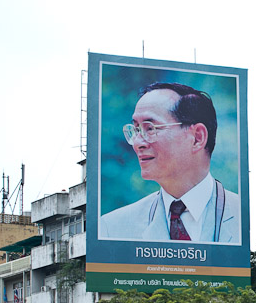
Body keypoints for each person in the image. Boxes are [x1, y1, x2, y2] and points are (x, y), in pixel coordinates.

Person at [99, 82, 240, 243]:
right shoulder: (113, 228)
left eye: (150, 128)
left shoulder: (243, 215)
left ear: (197, 138)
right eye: (136, 129)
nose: (138, 143)